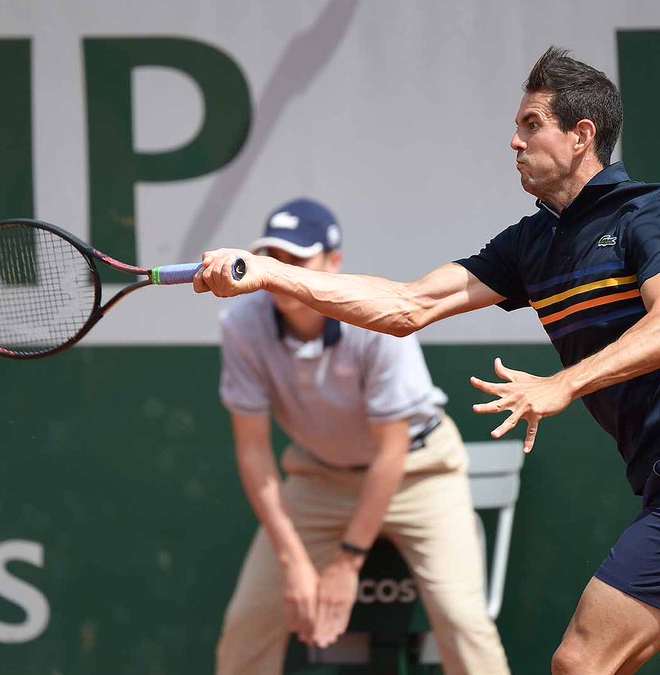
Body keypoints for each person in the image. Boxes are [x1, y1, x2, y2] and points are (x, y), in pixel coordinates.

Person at [196, 49, 660, 674]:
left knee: (579, 662)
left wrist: (563, 383)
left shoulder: (656, 210)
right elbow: (405, 305)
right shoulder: (530, 245)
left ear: (581, 135)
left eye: (531, 124)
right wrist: (268, 275)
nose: (514, 141)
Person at [213, 198, 510, 675]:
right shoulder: (243, 325)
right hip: (318, 480)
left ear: (334, 264)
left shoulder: (371, 322)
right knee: (248, 623)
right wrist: (293, 561)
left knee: (463, 622)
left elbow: (392, 451)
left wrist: (346, 563)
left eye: (297, 259)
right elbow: (253, 451)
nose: (281, 271)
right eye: (274, 258)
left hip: (418, 474)